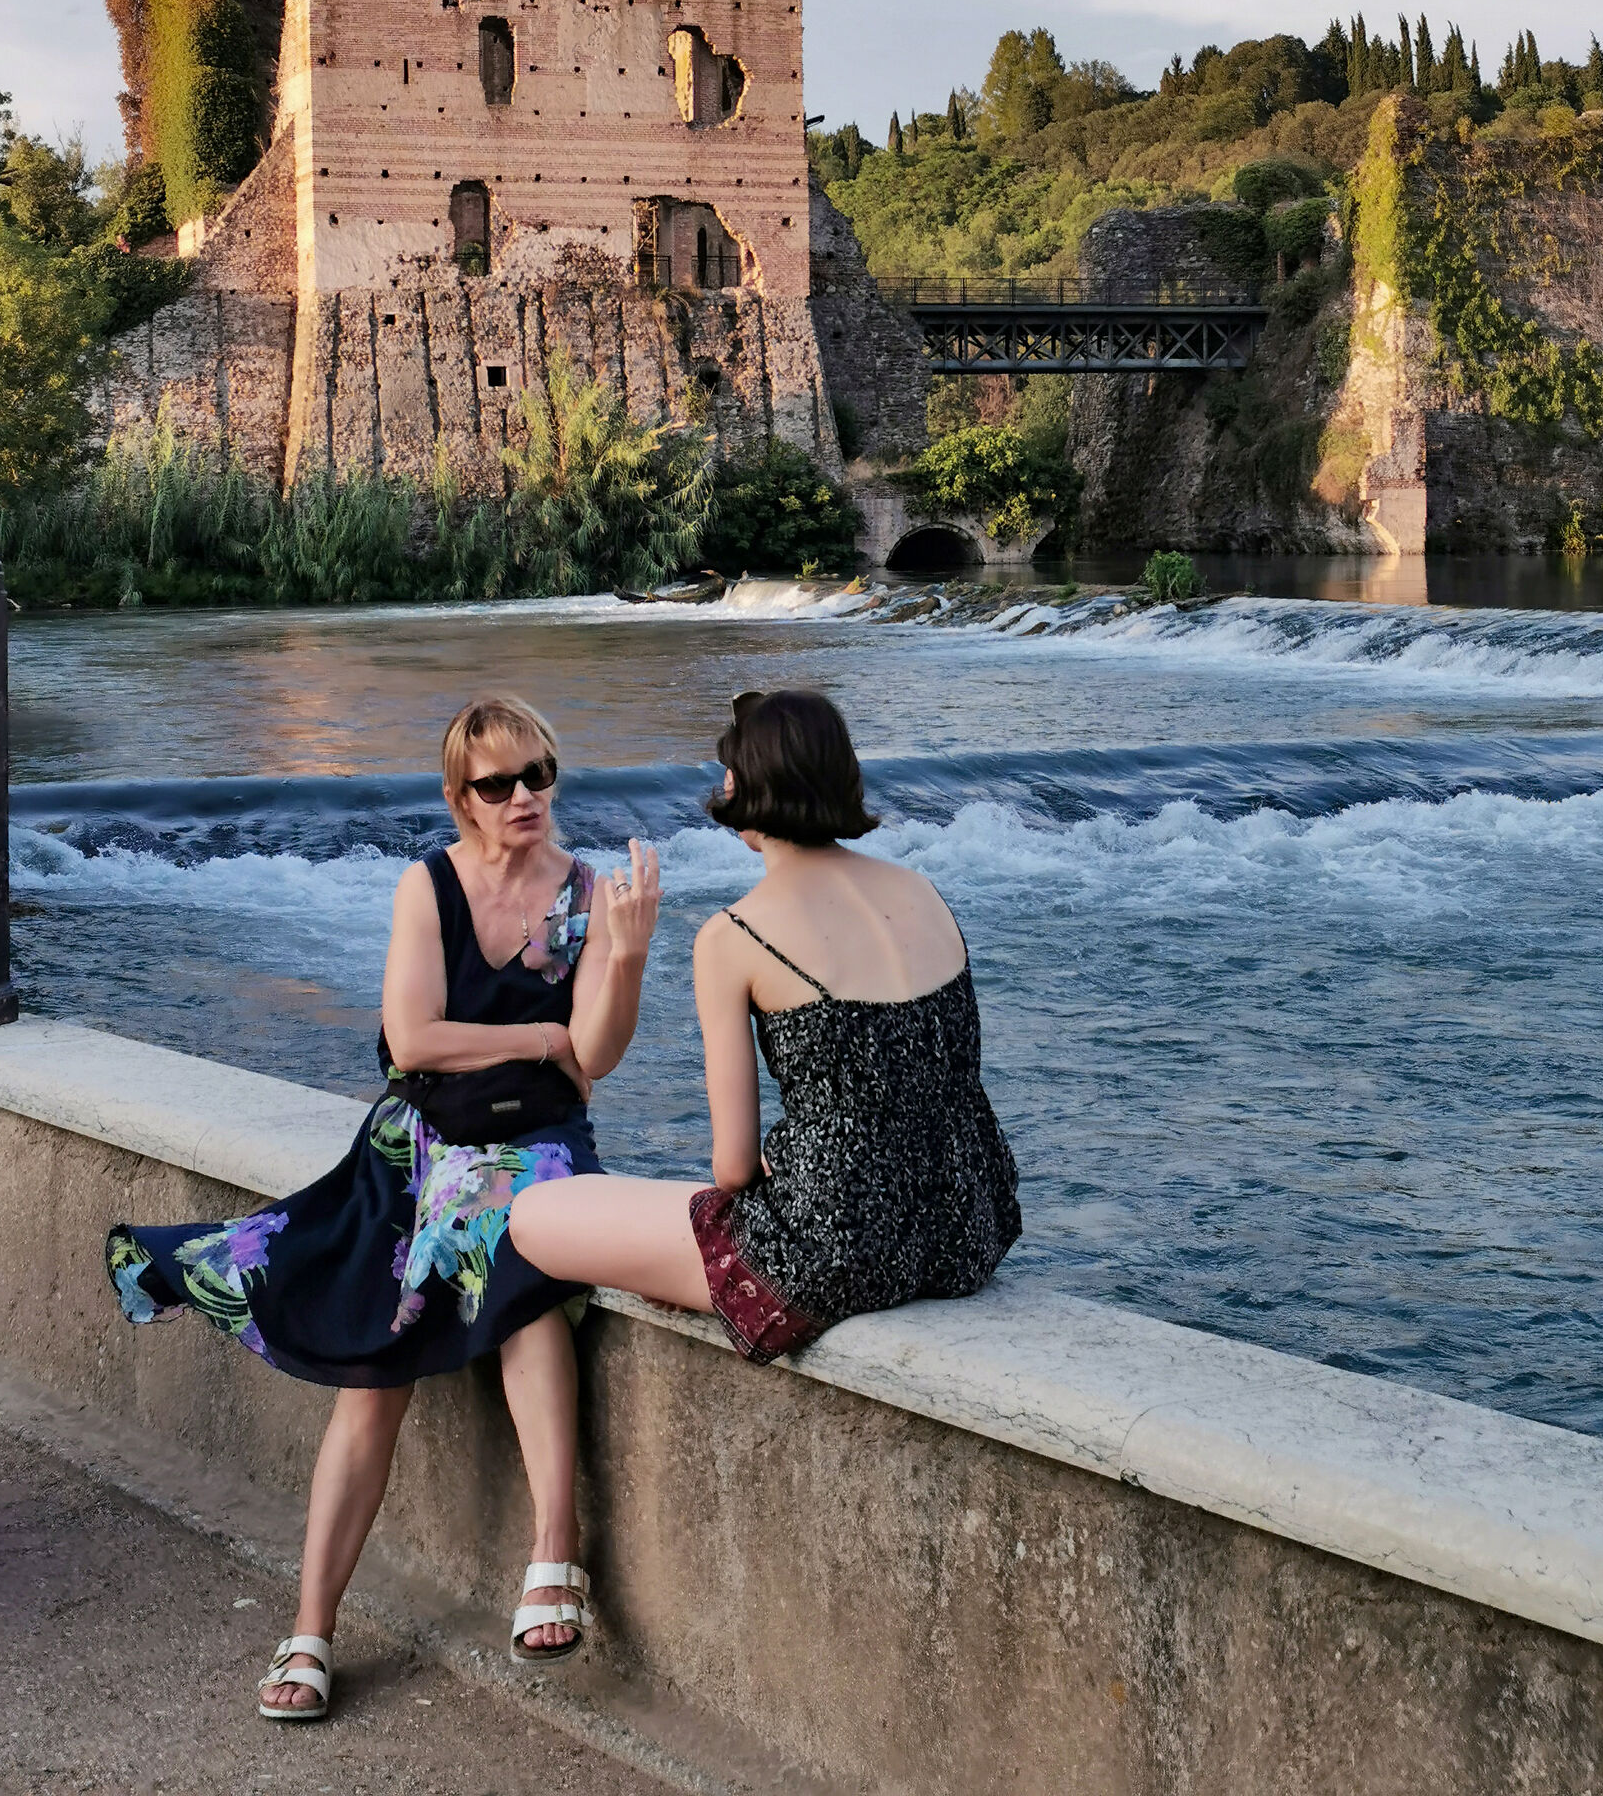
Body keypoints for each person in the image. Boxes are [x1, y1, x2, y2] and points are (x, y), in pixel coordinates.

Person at [105, 693, 660, 1721]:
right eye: (500, 783)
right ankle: (310, 1627)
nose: (526, 796)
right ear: (463, 799)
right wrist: (538, 1039)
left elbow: (599, 1058)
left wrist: (621, 958)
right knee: (375, 1362)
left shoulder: (585, 892)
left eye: (539, 774)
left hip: (537, 1145)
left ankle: (554, 1552)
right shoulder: (429, 885)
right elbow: (412, 1042)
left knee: (528, 1288)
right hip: (419, 1147)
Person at [510, 689, 1020, 1366]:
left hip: (841, 1249)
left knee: (536, 1215)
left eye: (729, 771)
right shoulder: (922, 890)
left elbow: (732, 1166)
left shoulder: (734, 934)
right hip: (967, 1227)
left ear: (745, 787)